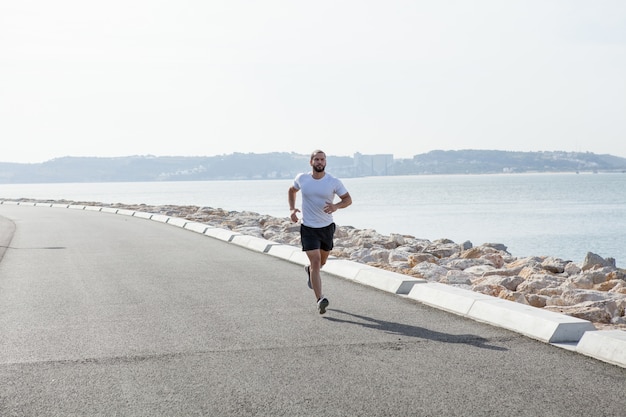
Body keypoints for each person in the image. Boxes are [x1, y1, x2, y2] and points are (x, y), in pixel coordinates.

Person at [288, 150, 352, 314]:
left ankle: (309, 271)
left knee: (321, 263)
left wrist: (336, 206)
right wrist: (292, 209)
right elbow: (291, 191)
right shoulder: (302, 178)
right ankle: (320, 299)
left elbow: (348, 199)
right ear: (311, 162)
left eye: (322, 159)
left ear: (325, 162)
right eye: (316, 159)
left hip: (326, 228)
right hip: (308, 228)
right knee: (316, 262)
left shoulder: (333, 181)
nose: (319, 162)